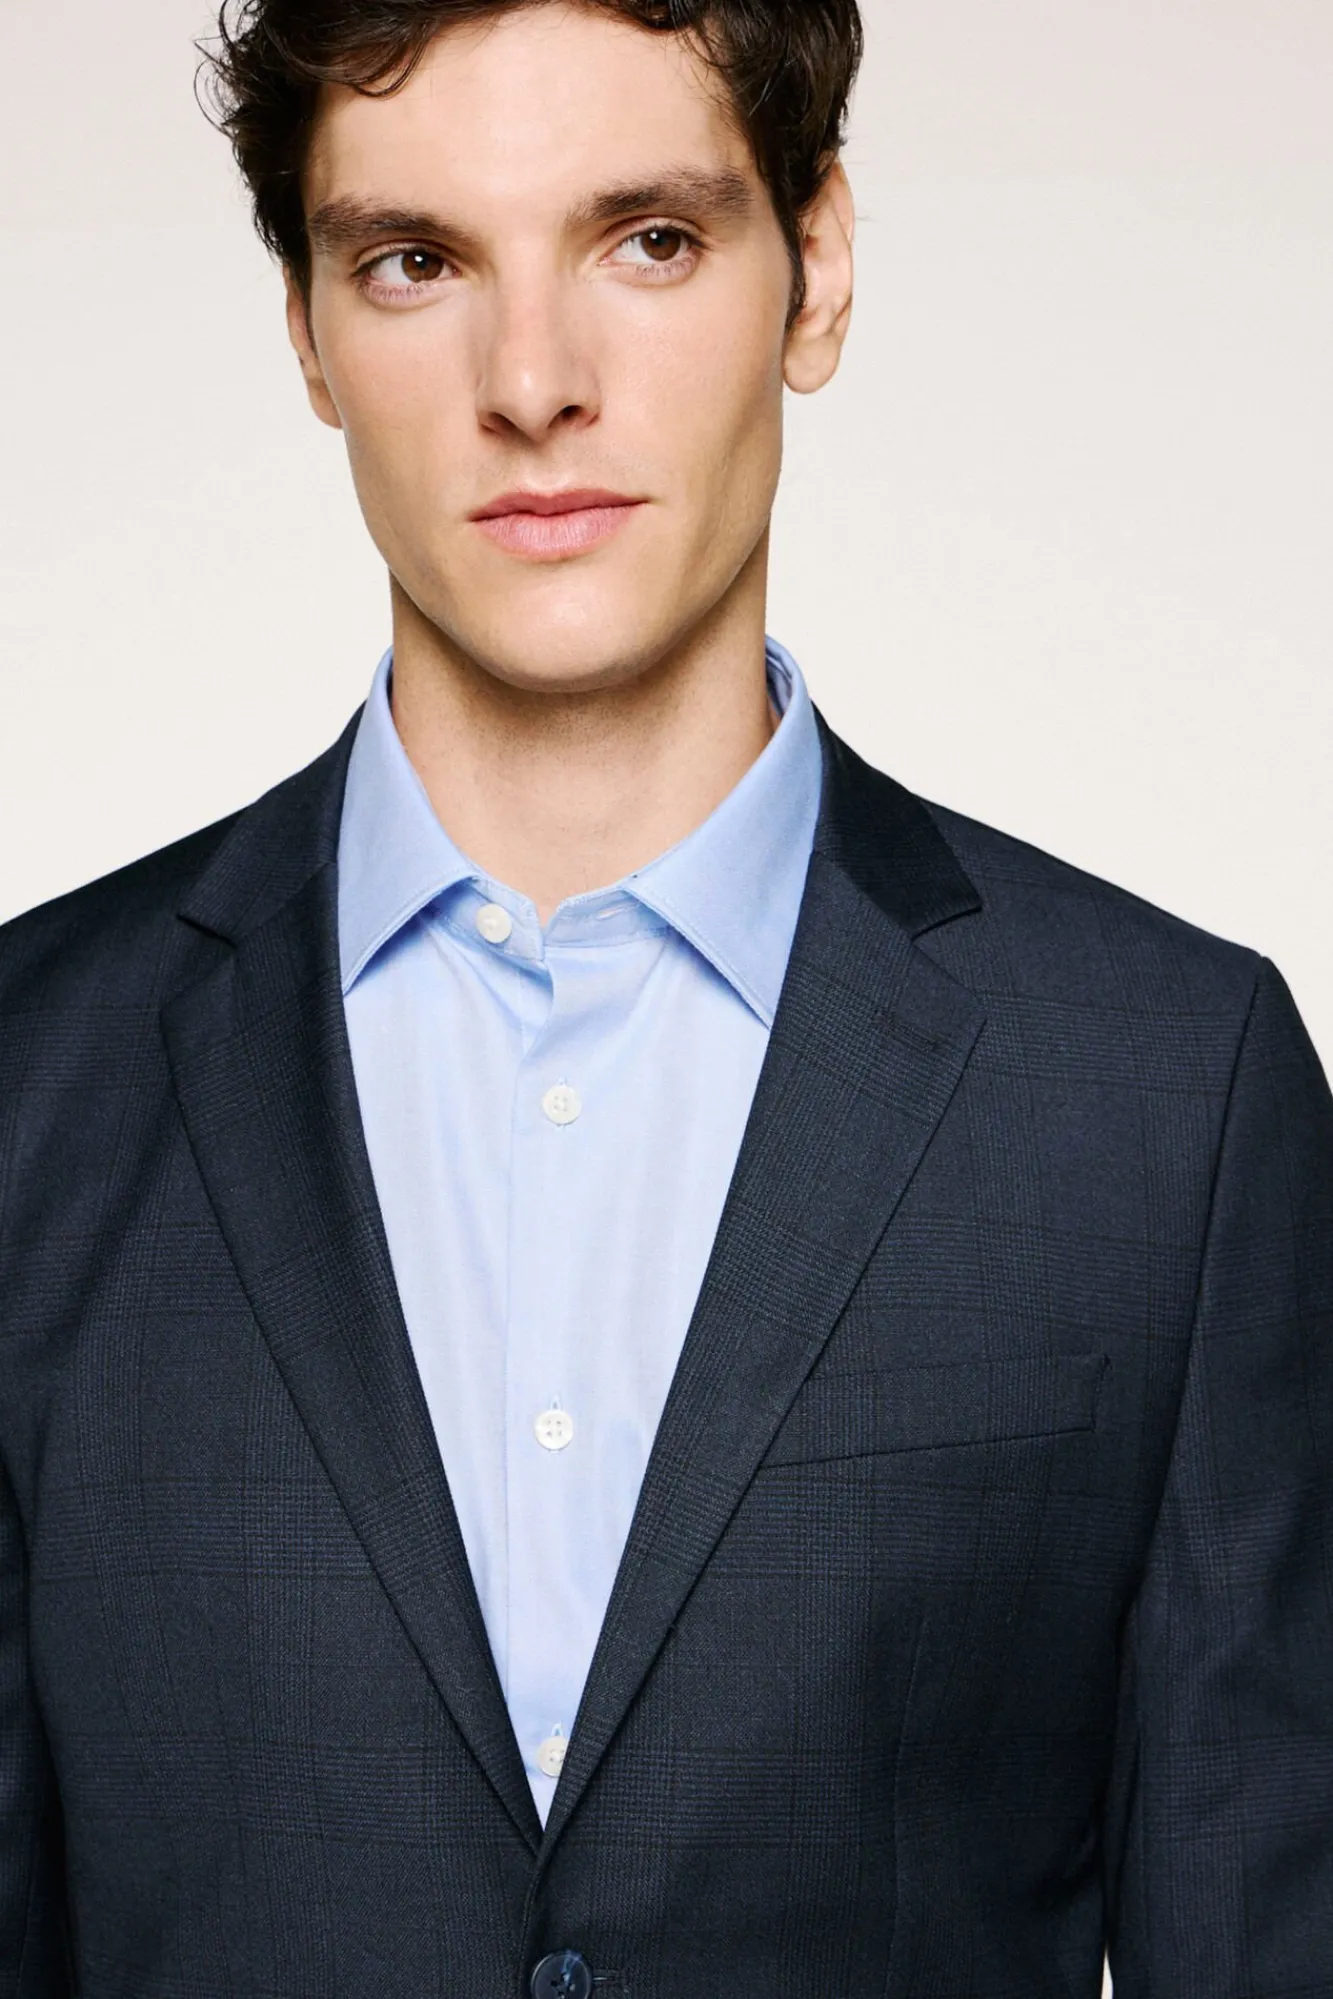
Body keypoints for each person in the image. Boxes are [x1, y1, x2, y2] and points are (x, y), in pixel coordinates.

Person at [1, 0, 1329, 1993]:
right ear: (307, 332)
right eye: (416, 260)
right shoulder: (31, 1088)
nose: (533, 381)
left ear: (821, 267)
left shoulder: (1166, 1097)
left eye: (650, 240)